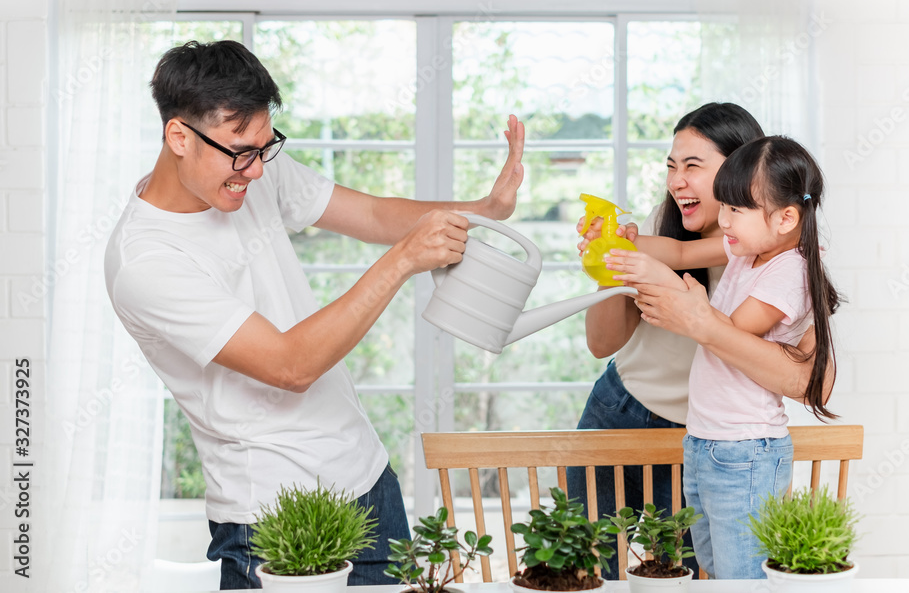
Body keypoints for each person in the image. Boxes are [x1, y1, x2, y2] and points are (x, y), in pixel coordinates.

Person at [104, 40, 525, 590]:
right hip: (270, 515)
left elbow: (374, 213)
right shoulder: (147, 260)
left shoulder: (248, 171)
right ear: (178, 136)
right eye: (240, 151)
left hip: (367, 480)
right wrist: (402, 262)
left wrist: (485, 210)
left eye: (264, 146)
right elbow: (289, 365)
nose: (254, 171)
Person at [606, 135, 841, 579]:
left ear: (786, 217)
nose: (724, 220)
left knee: (743, 576)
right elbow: (678, 252)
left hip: (745, 450)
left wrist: (657, 280)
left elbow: (724, 331)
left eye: (736, 209)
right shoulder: (750, 248)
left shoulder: (789, 271)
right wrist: (628, 244)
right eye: (725, 207)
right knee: (714, 571)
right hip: (706, 442)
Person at [566, 102, 765, 578]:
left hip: (700, 441)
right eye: (672, 167)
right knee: (582, 574)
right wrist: (608, 261)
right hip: (617, 411)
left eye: (693, 167)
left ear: (742, 171)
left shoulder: (767, 250)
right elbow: (601, 343)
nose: (677, 181)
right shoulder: (662, 225)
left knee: (688, 581)